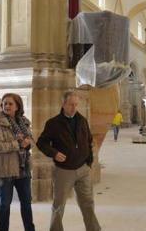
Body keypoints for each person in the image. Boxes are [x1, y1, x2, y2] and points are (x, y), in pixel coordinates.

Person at [36, 91, 101, 231]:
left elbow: (89, 141)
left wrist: (89, 162)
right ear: (63, 104)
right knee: (59, 205)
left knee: (88, 203)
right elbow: (41, 143)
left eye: (76, 104)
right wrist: (54, 153)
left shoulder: (82, 120)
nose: (74, 107)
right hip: (64, 171)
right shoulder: (53, 123)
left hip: (83, 169)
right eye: (71, 104)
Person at [0, 93, 35, 231]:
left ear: (17, 106)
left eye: (10, 103)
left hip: (23, 168)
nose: (7, 106)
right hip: (6, 169)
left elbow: (32, 141)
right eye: (4, 103)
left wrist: (28, 143)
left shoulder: (24, 122)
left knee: (26, 203)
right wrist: (18, 143)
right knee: (5, 204)